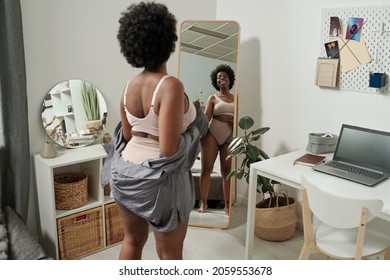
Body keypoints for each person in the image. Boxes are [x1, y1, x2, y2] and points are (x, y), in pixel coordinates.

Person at [109, 1, 207, 260]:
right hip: (159, 181)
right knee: (169, 254)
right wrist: (193, 131)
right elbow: (167, 148)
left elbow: (129, 136)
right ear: (167, 41)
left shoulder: (129, 85)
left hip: (125, 174)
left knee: (131, 241)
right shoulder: (170, 85)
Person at [198, 64, 235, 214]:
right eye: (219, 77)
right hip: (212, 133)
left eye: (225, 76)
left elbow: (241, 116)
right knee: (206, 169)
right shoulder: (212, 98)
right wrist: (196, 111)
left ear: (230, 79)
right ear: (216, 81)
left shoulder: (236, 98)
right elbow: (206, 117)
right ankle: (203, 203)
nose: (222, 79)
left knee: (227, 171)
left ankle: (227, 205)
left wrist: (236, 120)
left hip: (228, 134)